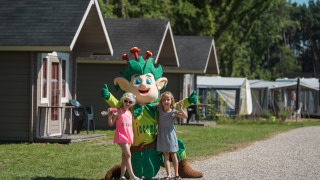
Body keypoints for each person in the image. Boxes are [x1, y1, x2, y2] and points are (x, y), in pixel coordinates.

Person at [108, 93, 139, 180]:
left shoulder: (130, 113)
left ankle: (122, 175)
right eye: (126, 101)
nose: (127, 103)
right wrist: (109, 116)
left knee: (124, 156)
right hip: (121, 136)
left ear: (132, 103)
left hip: (129, 136)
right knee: (128, 155)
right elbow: (111, 124)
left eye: (130, 102)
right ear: (123, 101)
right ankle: (132, 176)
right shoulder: (118, 111)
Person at [157, 91, 188, 180]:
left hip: (170, 136)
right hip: (162, 135)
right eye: (164, 100)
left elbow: (185, 116)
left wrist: (181, 109)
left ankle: (176, 174)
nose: (166, 101)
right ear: (161, 101)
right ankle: (168, 175)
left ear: (171, 101)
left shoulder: (173, 112)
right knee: (165, 155)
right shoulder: (159, 110)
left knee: (173, 155)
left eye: (168, 100)